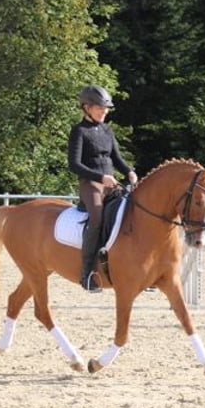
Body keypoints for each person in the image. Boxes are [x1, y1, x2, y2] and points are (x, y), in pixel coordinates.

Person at [68, 85, 138, 292]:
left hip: (111, 184)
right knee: (97, 219)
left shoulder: (107, 130)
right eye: (100, 108)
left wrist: (129, 172)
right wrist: (100, 177)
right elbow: (74, 164)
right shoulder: (79, 131)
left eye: (106, 109)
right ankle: (87, 273)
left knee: (131, 212)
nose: (104, 112)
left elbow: (116, 158)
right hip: (90, 184)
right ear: (87, 107)